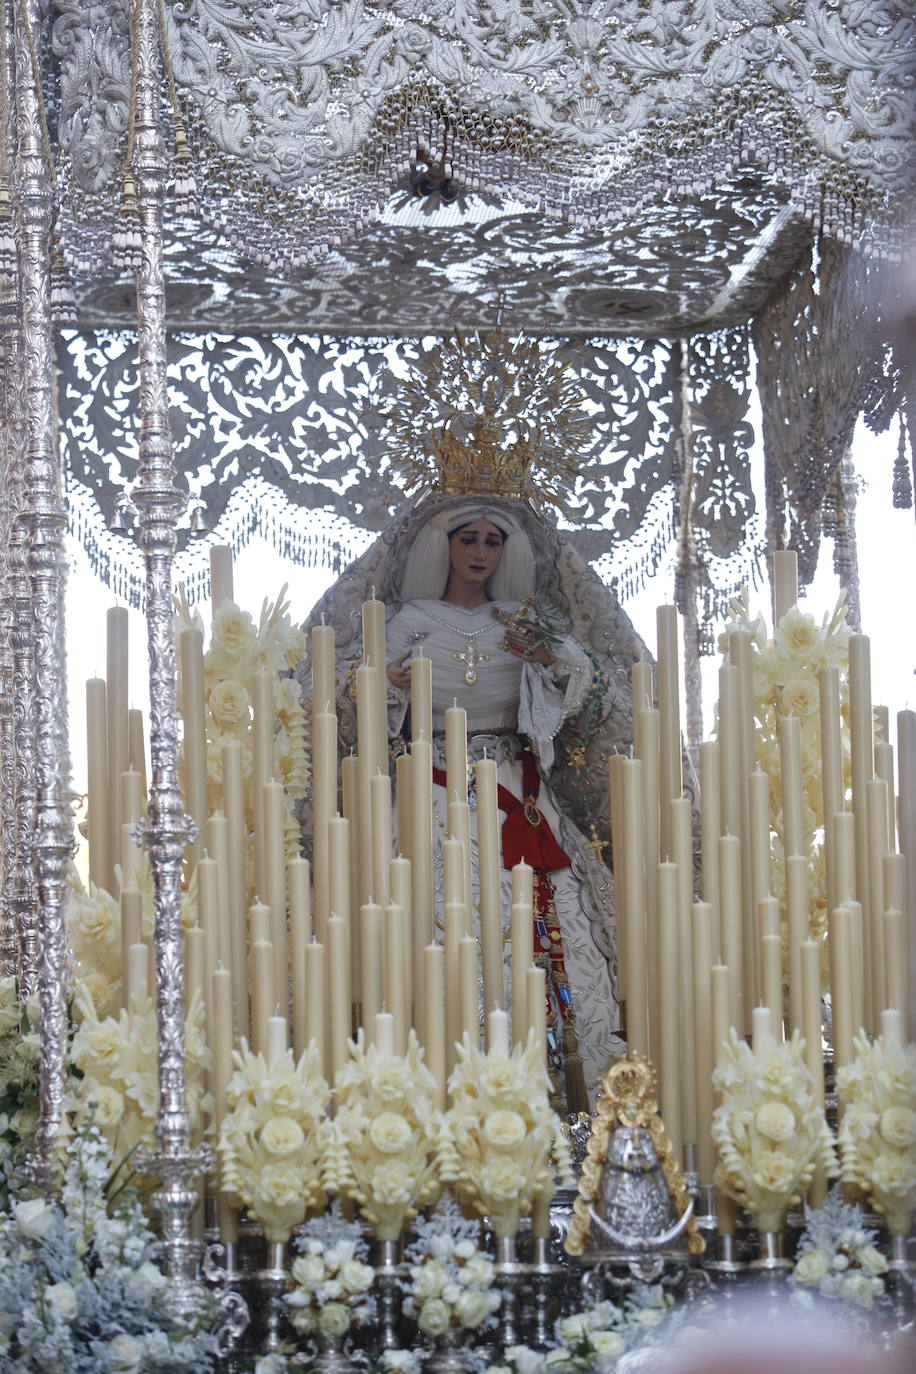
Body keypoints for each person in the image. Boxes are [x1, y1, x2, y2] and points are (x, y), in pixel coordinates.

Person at [300, 492, 649, 1107]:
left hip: (514, 780)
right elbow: (353, 679)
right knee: (437, 912)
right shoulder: (410, 617)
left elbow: (581, 677)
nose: (481, 553)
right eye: (469, 539)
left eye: (494, 542)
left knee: (550, 912)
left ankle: (561, 1075)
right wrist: (389, 681)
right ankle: (447, 1073)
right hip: (430, 783)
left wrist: (547, 659)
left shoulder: (521, 620)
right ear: (445, 545)